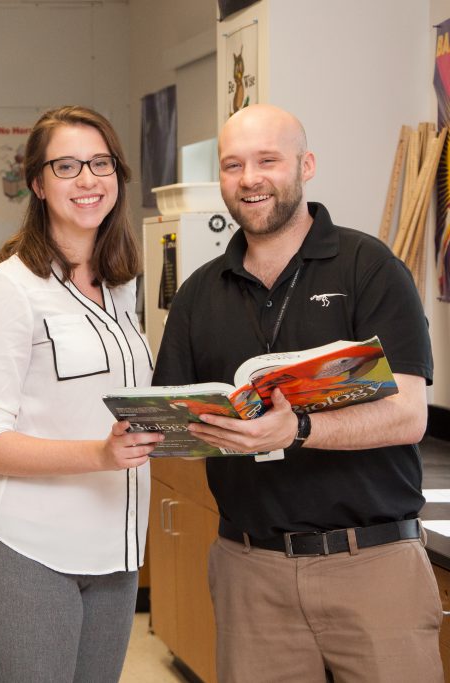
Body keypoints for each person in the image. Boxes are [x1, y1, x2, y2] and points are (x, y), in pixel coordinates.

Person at [152, 103, 441, 682]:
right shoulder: (198, 293)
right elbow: (172, 421)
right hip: (248, 569)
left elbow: (409, 415)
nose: (249, 179)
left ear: (305, 165)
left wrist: (298, 429)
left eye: (267, 160)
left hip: (374, 564)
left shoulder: (371, 269)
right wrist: (155, 429)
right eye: (233, 165)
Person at [0, 105, 161, 682]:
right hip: (27, 547)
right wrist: (98, 454)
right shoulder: (6, 291)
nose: (89, 180)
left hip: (114, 549)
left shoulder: (120, 286)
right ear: (37, 183)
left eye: (101, 163)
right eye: (67, 166)